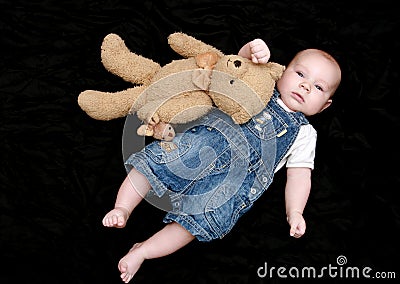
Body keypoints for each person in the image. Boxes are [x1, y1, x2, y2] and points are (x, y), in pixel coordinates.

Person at [102, 38, 342, 283]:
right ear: (281, 72)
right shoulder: (264, 83)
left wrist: (295, 212)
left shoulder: (304, 133)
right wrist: (251, 52)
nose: (305, 86)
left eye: (319, 88)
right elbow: (235, 66)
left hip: (230, 184)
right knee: (155, 164)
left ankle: (143, 251)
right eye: (300, 74)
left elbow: (300, 175)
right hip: (201, 147)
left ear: (325, 106)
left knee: (197, 223)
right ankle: (123, 207)